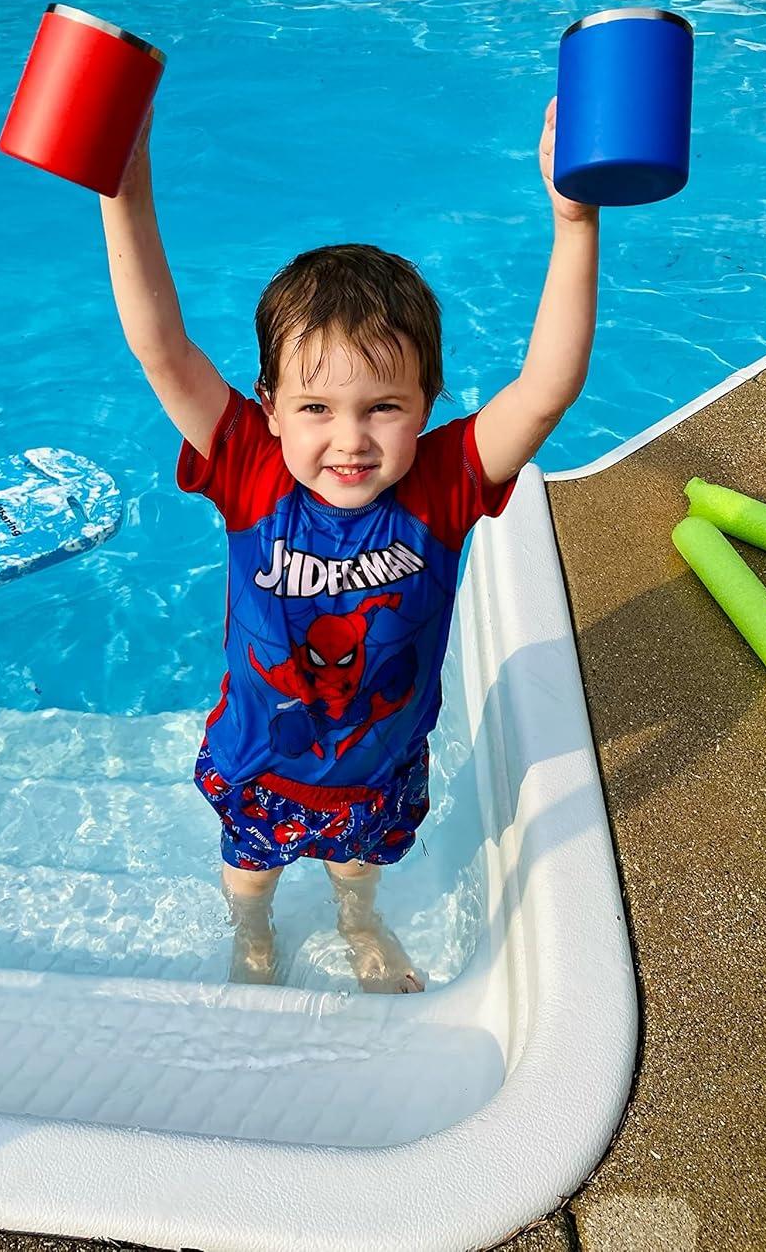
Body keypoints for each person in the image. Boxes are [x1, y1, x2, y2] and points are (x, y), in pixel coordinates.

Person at [98, 99, 598, 992]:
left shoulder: (443, 485)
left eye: (384, 407)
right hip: (262, 762)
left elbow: (547, 388)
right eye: (316, 409)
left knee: (360, 867)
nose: (350, 440)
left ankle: (358, 926)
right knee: (249, 871)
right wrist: (122, 189)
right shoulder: (249, 468)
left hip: (378, 766)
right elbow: (160, 349)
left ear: (429, 400)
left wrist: (573, 219)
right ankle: (251, 936)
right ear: (268, 405)